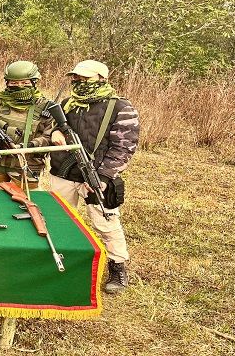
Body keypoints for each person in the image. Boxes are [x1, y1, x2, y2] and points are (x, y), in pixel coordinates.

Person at [48, 60, 139, 294]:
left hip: (97, 177)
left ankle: (117, 267)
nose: (78, 82)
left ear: (101, 78)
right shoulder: (68, 103)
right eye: (76, 78)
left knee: (106, 223)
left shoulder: (121, 107)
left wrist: (103, 177)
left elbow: (124, 148)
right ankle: (60, 259)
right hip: (63, 171)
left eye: (85, 78)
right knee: (58, 219)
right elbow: (50, 126)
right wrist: (55, 132)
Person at [0, 61, 53, 190]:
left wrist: (27, 146)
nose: (20, 86)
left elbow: (49, 137)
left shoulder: (46, 108)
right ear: (7, 83)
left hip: (26, 164)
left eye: (25, 83)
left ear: (34, 82)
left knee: (26, 200)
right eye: (14, 83)